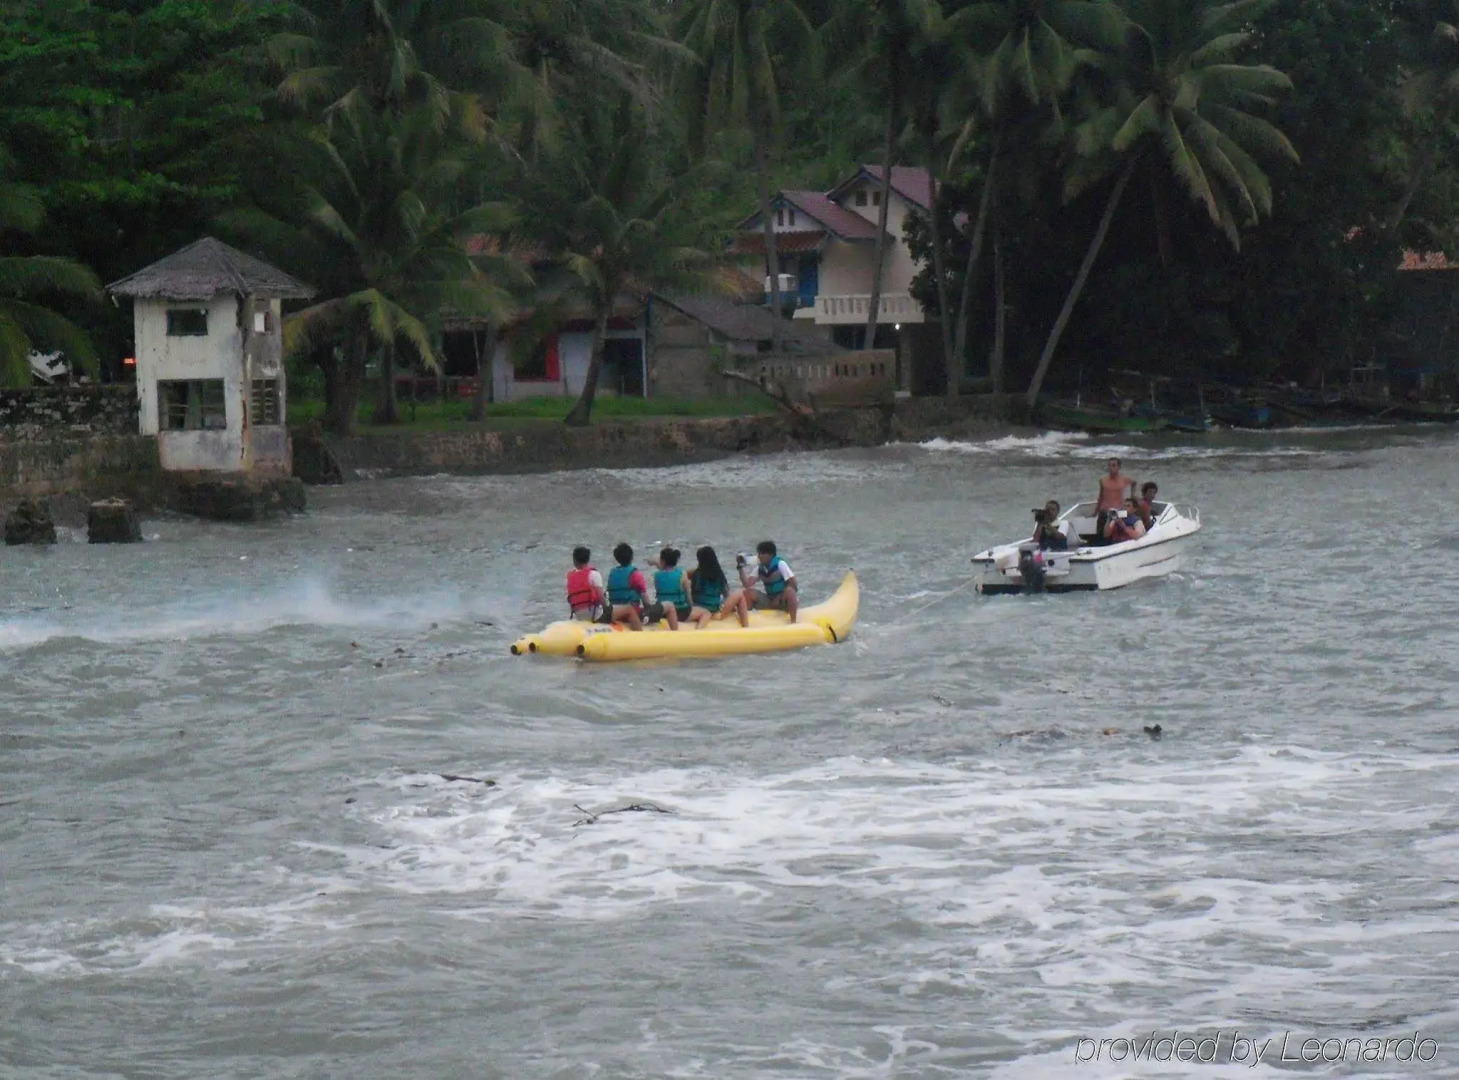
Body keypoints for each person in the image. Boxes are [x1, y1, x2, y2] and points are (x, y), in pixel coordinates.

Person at [689, 546, 750, 628]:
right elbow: (726, 595)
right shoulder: (719, 574)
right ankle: (745, 626)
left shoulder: (694, 573)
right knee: (740, 594)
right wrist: (732, 608)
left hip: (697, 611)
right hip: (715, 613)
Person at [738, 540, 798, 622]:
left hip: (782, 600)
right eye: (759, 553)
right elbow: (747, 584)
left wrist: (779, 598)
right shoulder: (760, 568)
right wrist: (740, 568)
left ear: (771, 555)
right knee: (747, 593)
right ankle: (746, 621)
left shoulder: (780, 564)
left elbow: (794, 584)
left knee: (790, 591)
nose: (759, 556)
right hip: (770, 599)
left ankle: (793, 621)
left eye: (762, 553)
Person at [604, 542, 647, 630]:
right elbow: (645, 600)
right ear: (632, 557)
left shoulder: (612, 573)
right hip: (631, 613)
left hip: (615, 612)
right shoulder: (635, 574)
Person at [1097, 458, 1138, 539]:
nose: (1111, 468)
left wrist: (1132, 495)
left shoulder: (1123, 479)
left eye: (1113, 465)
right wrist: (1095, 511)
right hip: (1104, 511)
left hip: (1119, 512)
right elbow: (1100, 496)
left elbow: (1134, 483)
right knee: (1101, 535)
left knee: (1116, 534)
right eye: (1109, 465)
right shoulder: (1103, 480)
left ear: (1119, 467)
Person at [565, 546, 606, 622]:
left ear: (574, 561)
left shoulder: (570, 577)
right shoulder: (594, 574)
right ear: (588, 560)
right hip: (595, 614)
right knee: (624, 611)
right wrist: (608, 609)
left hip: (578, 614)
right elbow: (601, 597)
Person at [651, 547, 688, 630]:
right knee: (704, 612)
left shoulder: (656, 575)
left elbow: (659, 590)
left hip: (662, 611)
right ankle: (699, 630)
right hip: (680, 612)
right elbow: (688, 596)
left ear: (663, 561)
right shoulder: (682, 574)